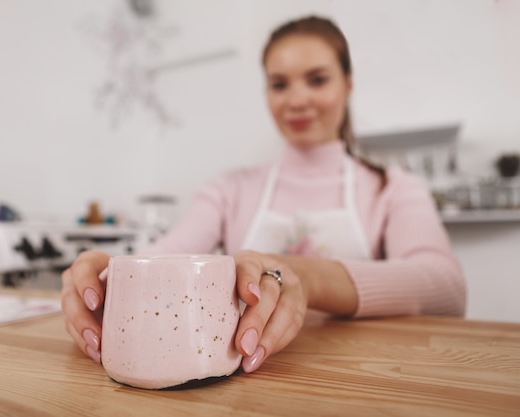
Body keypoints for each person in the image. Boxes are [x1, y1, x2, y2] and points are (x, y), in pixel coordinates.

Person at [61, 15, 466, 374]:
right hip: (256, 382)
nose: (297, 99)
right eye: (279, 84)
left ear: (348, 84)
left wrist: (302, 275)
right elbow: (164, 254)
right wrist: (108, 273)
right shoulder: (229, 190)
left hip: (362, 377)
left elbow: (446, 288)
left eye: (317, 79)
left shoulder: (393, 189)